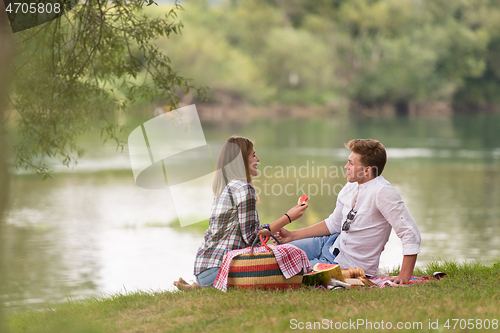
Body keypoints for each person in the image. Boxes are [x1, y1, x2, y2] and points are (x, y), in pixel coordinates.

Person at [277, 139, 421, 284]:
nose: (346, 167)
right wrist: (292, 235)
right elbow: (334, 223)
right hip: (329, 243)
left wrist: (404, 276)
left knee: (280, 269)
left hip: (347, 267)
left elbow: (410, 233)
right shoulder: (351, 186)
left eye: (351, 163)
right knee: (276, 254)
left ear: (366, 170)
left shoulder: (383, 192)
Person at [174, 136, 308, 290]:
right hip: (219, 269)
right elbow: (251, 237)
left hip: (203, 268)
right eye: (253, 155)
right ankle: (208, 285)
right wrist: (288, 217)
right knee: (290, 256)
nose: (258, 159)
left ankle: (200, 286)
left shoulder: (225, 187)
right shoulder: (244, 189)